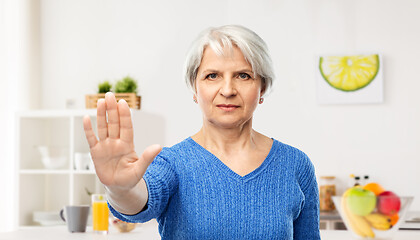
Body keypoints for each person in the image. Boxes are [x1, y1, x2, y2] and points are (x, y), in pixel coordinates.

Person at [83, 25, 320, 239]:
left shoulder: (296, 164)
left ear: (262, 88)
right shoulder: (172, 164)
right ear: (194, 89)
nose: (227, 90)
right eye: (212, 76)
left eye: (243, 75)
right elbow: (137, 202)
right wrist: (120, 189)